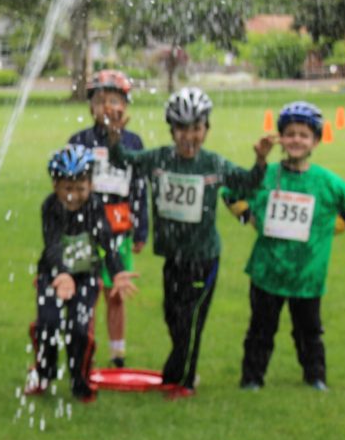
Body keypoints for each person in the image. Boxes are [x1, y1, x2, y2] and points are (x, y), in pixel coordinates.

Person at [108, 87, 275, 399]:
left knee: (191, 322)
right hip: (173, 258)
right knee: (172, 316)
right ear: (172, 130)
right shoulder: (158, 159)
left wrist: (260, 160)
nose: (189, 136)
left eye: (196, 128)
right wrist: (115, 134)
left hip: (204, 258)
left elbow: (248, 183)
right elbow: (122, 162)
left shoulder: (213, 164)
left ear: (206, 130)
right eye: (182, 128)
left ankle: (183, 382)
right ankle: (178, 370)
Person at [236, 101, 345, 392]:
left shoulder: (324, 181)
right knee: (261, 329)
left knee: (309, 330)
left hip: (308, 274)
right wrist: (249, 217)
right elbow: (231, 191)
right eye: (291, 133)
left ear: (316, 141)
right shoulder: (267, 174)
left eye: (304, 135)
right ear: (280, 138)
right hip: (267, 270)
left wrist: (331, 228)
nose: (296, 140)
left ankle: (315, 376)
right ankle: (252, 377)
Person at [27, 144, 138, 402]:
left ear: (91, 184)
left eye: (80, 188)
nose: (73, 196)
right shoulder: (50, 207)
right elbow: (52, 244)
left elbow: (107, 242)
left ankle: (80, 379)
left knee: (79, 328)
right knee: (48, 323)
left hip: (86, 275)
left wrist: (118, 271)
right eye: (67, 188)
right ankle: (44, 373)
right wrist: (62, 274)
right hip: (53, 274)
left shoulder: (96, 207)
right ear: (55, 185)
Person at [68, 69, 148, 368]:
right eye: (100, 100)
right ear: (91, 106)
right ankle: (84, 348)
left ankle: (117, 353)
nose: (107, 107)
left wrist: (141, 229)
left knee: (116, 290)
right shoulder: (80, 140)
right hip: (85, 230)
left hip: (118, 227)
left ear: (125, 106)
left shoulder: (134, 142)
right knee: (87, 292)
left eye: (114, 100)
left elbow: (139, 187)